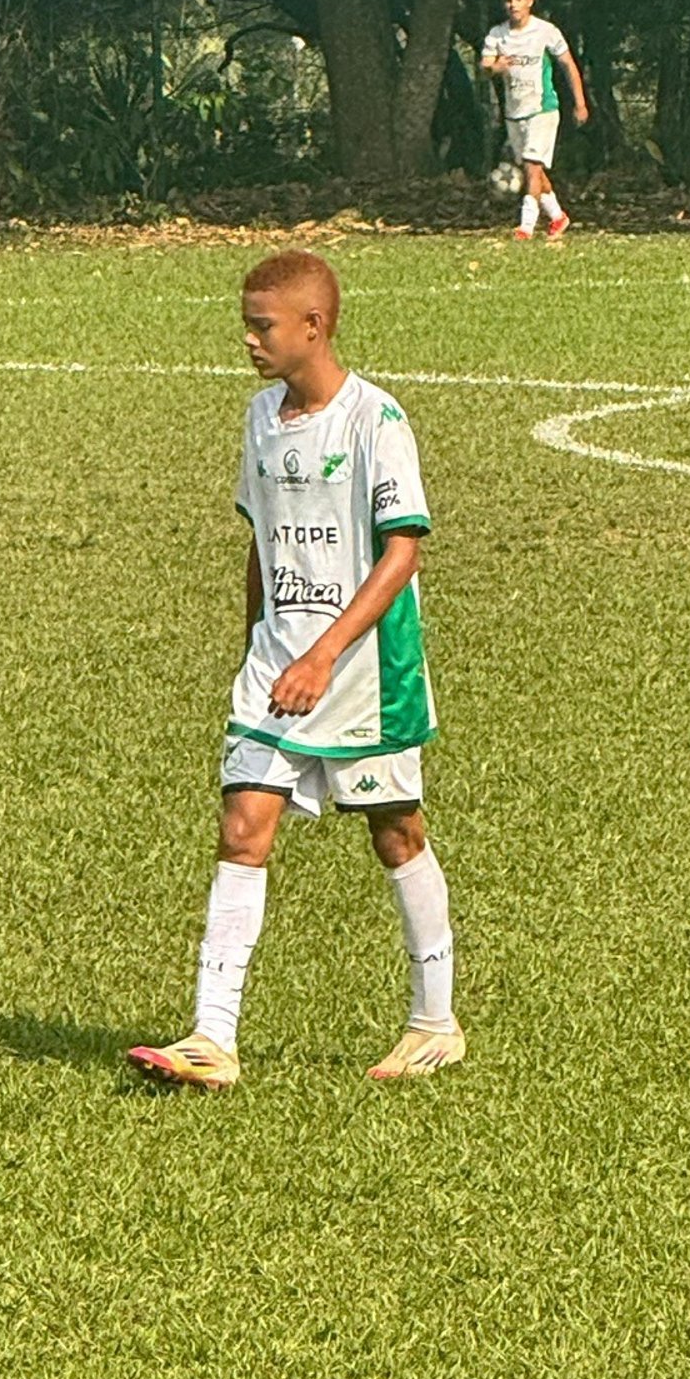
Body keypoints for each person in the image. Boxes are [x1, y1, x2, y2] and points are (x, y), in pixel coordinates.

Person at [126, 250, 461, 1091]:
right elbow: (260, 538)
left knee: (396, 832)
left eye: (262, 324)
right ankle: (212, 1038)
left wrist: (322, 653)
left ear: (314, 326)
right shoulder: (258, 420)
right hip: (276, 668)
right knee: (242, 829)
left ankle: (434, 1022)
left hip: (363, 672)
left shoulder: (376, 421)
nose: (247, 339)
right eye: (245, 322)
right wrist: (258, 643)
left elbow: (402, 553)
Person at [481, 0, 588, 239]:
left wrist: (580, 102)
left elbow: (568, 65)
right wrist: (496, 68)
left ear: (530, 1)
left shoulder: (546, 31)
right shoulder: (497, 34)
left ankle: (526, 226)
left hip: (543, 108)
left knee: (531, 164)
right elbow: (484, 66)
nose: (513, 5)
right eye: (509, 0)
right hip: (514, 112)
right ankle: (558, 216)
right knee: (536, 170)